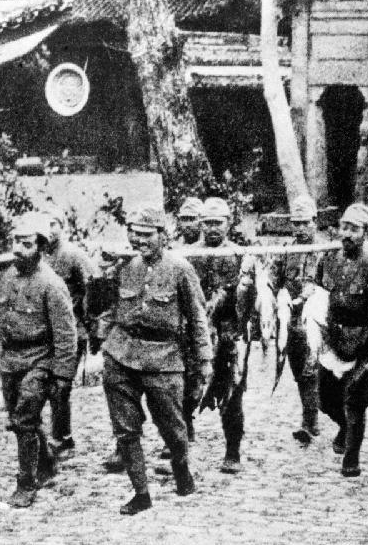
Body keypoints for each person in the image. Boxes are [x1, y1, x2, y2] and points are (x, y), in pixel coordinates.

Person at [101, 204, 212, 514]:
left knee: (173, 427)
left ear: (163, 235)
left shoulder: (180, 269)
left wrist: (204, 360)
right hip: (122, 354)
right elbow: (110, 308)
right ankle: (141, 493)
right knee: (125, 428)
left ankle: (181, 468)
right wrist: (103, 339)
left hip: (164, 358)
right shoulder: (125, 266)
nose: (139, 241)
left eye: (147, 235)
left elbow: (197, 317)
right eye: (134, 234)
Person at [0, 212, 78, 508]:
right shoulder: (6, 275)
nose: (18, 249)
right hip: (10, 359)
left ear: (40, 247)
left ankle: (26, 483)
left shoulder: (51, 284)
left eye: (26, 244)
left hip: (40, 358)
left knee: (26, 418)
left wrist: (62, 377)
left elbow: (66, 334)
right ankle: (47, 462)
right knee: (17, 418)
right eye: (15, 242)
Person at [314, 203, 368, 477]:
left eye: (354, 229)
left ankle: (352, 457)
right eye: (344, 227)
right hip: (332, 339)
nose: (347, 234)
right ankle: (344, 426)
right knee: (325, 399)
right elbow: (320, 293)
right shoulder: (328, 259)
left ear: (366, 232)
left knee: (356, 401)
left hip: (362, 340)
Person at [190, 197, 248, 473]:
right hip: (194, 334)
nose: (212, 228)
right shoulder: (187, 254)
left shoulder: (240, 255)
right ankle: (177, 447)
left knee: (231, 395)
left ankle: (233, 451)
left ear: (229, 223)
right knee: (184, 392)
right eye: (207, 223)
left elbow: (250, 297)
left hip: (228, 334)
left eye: (218, 223)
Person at [41, 205, 100, 457]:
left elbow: (95, 287)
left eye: (53, 223)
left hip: (73, 330)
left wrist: (94, 327)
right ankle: (52, 436)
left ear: (62, 227)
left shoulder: (73, 255)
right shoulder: (36, 256)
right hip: (43, 333)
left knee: (61, 385)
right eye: (45, 223)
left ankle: (62, 437)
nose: (49, 229)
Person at [270, 194, 329, 443]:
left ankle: (310, 419)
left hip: (316, 320)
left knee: (312, 368)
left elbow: (332, 285)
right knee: (297, 370)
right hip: (291, 320)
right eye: (297, 223)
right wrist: (275, 293)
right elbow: (273, 278)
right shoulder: (286, 250)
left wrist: (315, 291)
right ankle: (311, 415)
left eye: (306, 222)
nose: (301, 228)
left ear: (315, 221)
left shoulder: (325, 250)